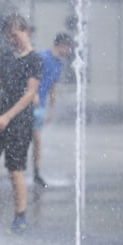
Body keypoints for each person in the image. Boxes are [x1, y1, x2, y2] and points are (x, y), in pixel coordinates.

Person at [0, 14, 42, 234]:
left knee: (14, 169)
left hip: (19, 118)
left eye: (15, 35)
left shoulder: (35, 59)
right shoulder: (6, 57)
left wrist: (8, 117)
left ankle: (20, 216)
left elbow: (30, 94)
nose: (11, 40)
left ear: (25, 31)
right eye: (9, 36)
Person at [31, 33, 73, 188]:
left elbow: (53, 87)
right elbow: (30, 76)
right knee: (27, 138)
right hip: (29, 103)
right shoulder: (42, 57)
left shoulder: (59, 64)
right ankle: (17, 170)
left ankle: (36, 172)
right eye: (68, 47)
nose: (69, 52)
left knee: (37, 140)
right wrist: (33, 93)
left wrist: (51, 109)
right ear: (62, 44)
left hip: (41, 106)